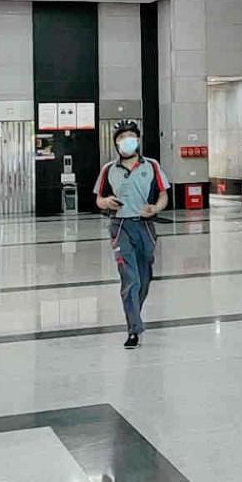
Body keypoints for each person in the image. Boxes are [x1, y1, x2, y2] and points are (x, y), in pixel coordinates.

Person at [94, 120, 169, 349]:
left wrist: (155, 208)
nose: (126, 141)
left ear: (137, 140)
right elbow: (99, 199)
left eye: (130, 136)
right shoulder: (108, 169)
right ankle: (133, 330)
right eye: (121, 137)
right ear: (116, 143)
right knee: (130, 279)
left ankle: (135, 313)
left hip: (145, 226)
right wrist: (106, 202)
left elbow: (163, 195)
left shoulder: (152, 165)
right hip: (120, 227)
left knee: (144, 279)